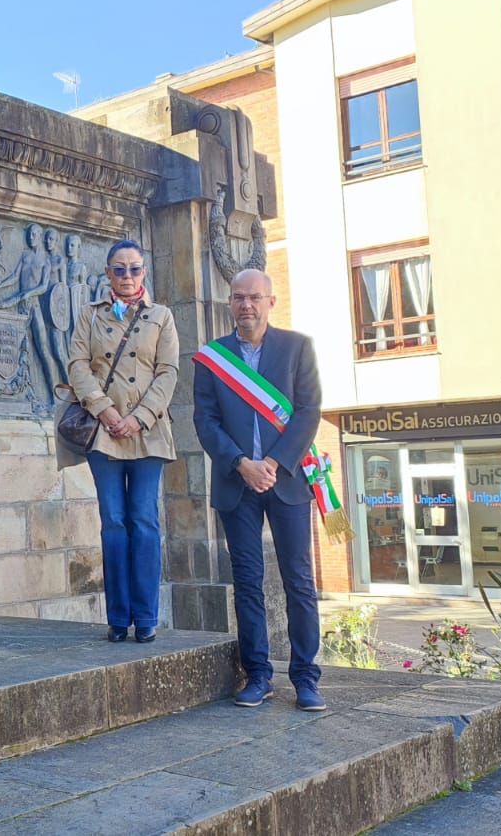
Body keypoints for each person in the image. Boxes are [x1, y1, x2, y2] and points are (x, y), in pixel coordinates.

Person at [191, 268, 325, 712]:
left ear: (270, 302)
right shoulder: (212, 358)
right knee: (247, 583)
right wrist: (241, 464)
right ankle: (259, 676)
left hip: (285, 481)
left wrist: (271, 462)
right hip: (236, 483)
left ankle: (306, 679)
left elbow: (308, 412)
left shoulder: (297, 348)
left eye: (254, 298)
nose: (245, 305)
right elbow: (204, 422)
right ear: (230, 303)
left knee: (299, 582)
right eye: (238, 298)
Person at [66, 240, 178, 645]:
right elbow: (77, 366)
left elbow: (168, 372)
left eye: (134, 269)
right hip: (104, 432)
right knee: (114, 523)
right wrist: (105, 411)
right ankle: (118, 618)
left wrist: (137, 418)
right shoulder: (89, 316)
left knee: (144, 522)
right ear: (108, 274)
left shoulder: (161, 317)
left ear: (144, 273)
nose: (127, 277)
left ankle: (146, 618)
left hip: (148, 433)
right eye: (119, 269)